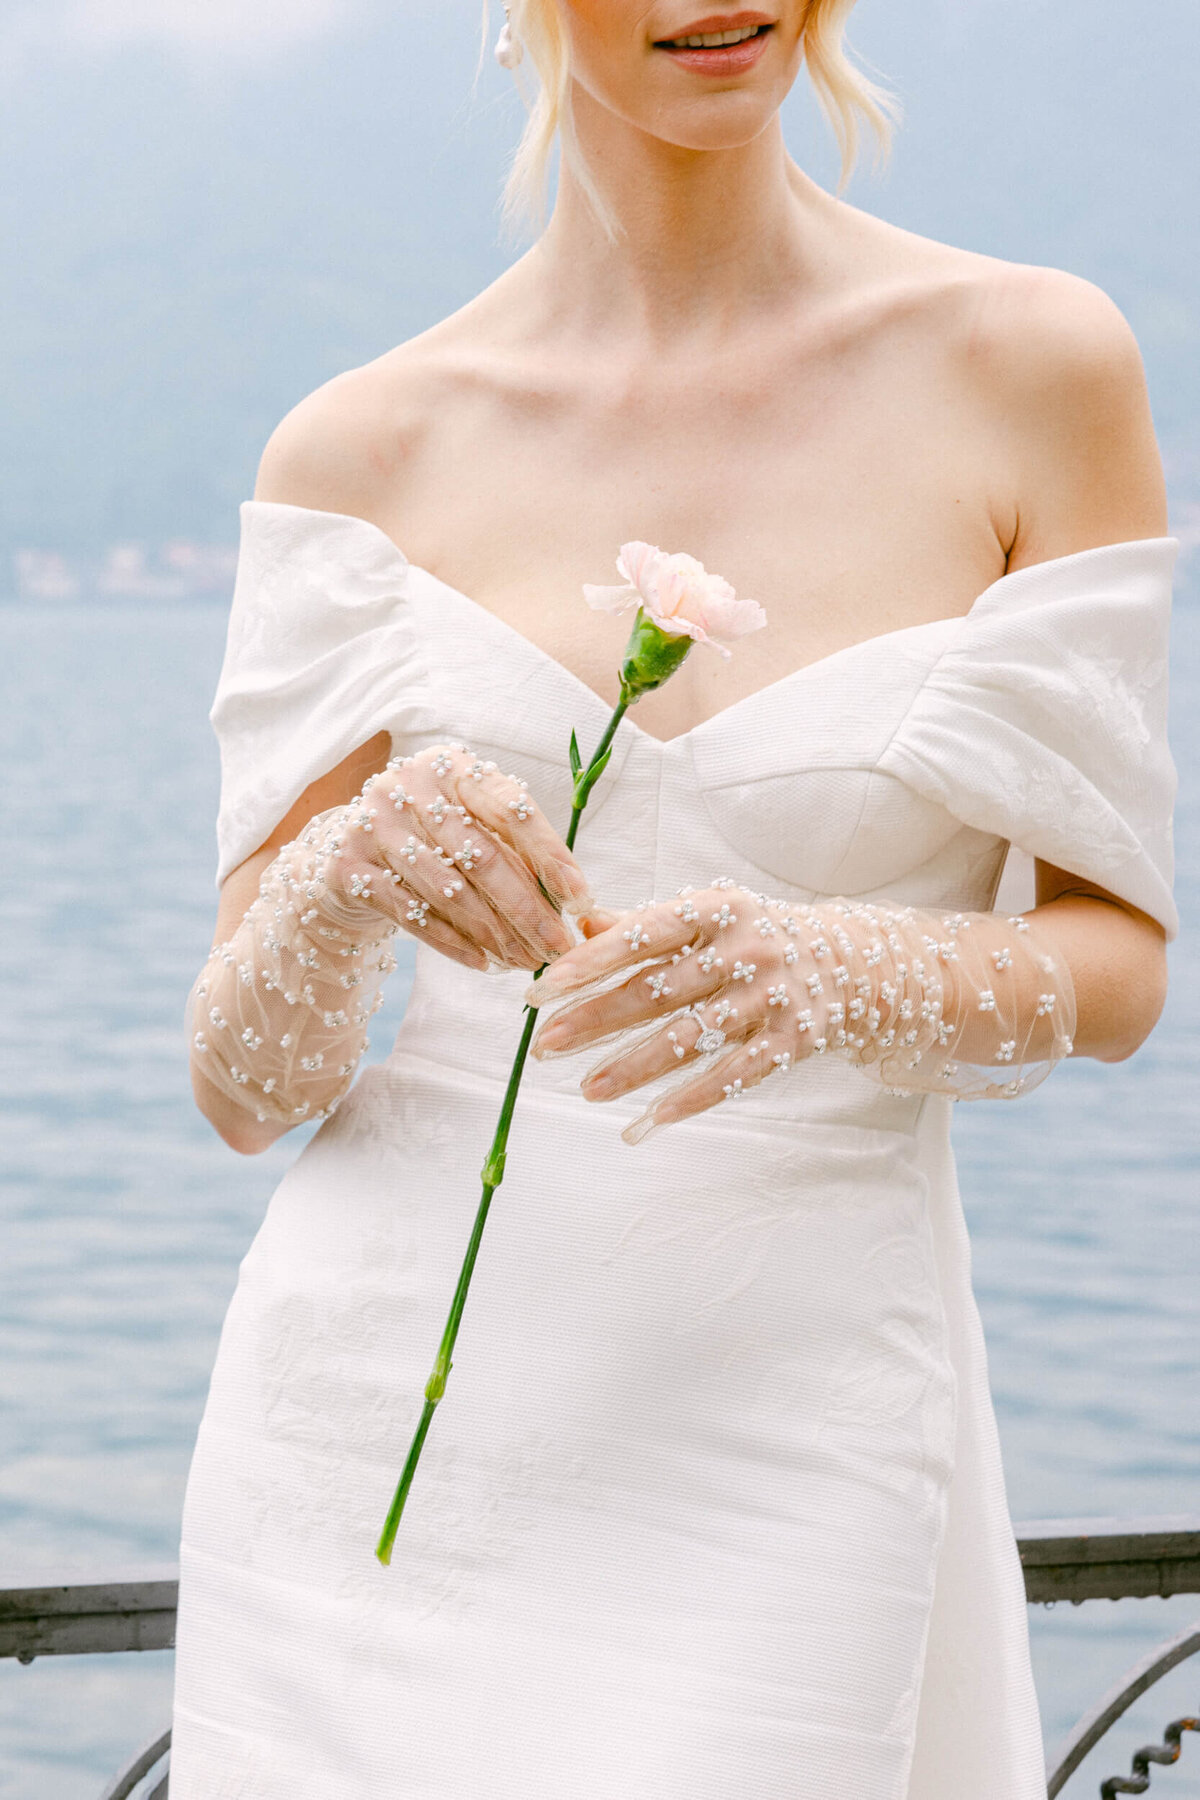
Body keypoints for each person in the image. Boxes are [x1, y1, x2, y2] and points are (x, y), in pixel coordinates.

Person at [169, 3, 1179, 1796]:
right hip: (383, 1423)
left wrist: (846, 965)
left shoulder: (1036, 361)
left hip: (797, 1402)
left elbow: (1118, 967)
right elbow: (248, 1090)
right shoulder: (358, 450)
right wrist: (343, 877)